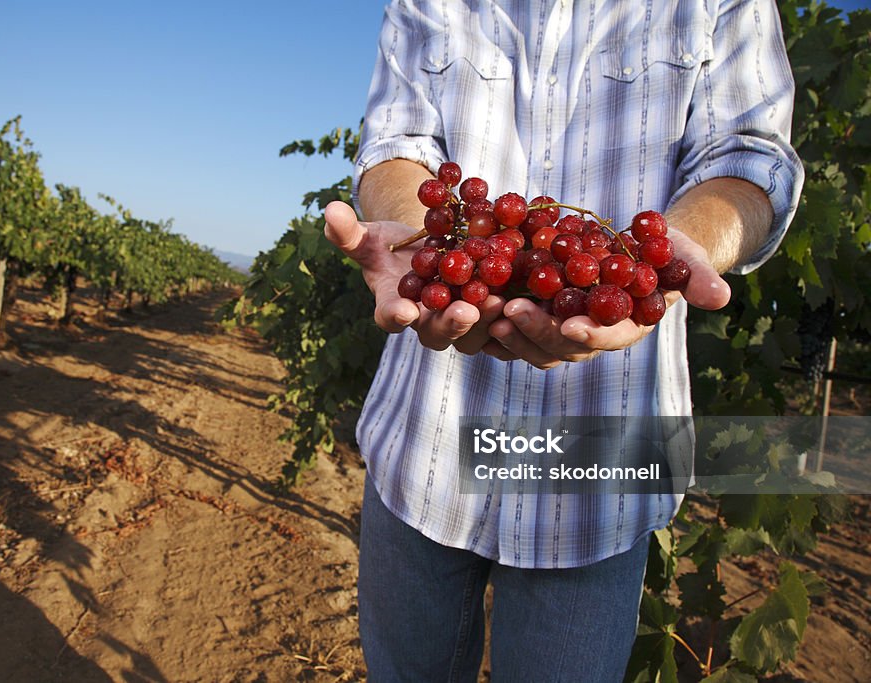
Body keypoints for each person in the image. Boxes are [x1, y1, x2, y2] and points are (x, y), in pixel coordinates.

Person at [324, 0, 803, 681]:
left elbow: (751, 154)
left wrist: (679, 246)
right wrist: (420, 227)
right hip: (424, 440)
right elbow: (394, 148)